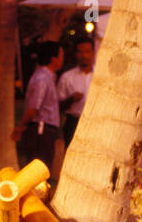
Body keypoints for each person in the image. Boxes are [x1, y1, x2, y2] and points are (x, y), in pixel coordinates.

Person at [13, 40, 64, 174]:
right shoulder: (42, 78)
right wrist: (20, 126)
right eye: (61, 56)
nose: (62, 59)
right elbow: (33, 108)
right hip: (41, 130)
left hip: (46, 130)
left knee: (44, 169)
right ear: (53, 59)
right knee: (38, 171)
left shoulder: (48, 77)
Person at [57, 36, 95, 146]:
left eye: (87, 52)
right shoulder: (67, 77)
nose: (84, 56)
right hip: (73, 123)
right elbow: (57, 106)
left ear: (93, 52)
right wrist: (71, 99)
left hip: (95, 123)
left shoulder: (101, 77)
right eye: (80, 52)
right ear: (75, 54)